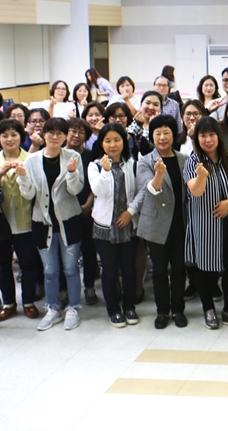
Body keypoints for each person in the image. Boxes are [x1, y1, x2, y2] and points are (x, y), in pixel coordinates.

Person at [16, 117, 85, 331]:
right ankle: (52, 308)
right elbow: (28, 195)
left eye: (60, 133)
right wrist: (22, 178)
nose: (54, 137)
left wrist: (72, 172)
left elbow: (76, 191)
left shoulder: (73, 157)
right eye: (50, 132)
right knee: (50, 270)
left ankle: (73, 307)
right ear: (43, 134)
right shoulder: (31, 160)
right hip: (42, 223)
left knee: (71, 269)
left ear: (65, 136)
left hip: (69, 221)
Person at [183, 116, 228, 331]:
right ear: (197, 138)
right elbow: (196, 190)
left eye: (212, 134)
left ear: (219, 137)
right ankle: (208, 309)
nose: (208, 139)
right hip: (206, 227)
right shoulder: (193, 161)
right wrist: (201, 176)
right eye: (203, 135)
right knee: (206, 270)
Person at [135, 115, 188, 329]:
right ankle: (162, 311)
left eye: (166, 132)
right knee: (158, 270)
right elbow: (150, 190)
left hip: (180, 222)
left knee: (179, 269)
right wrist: (158, 174)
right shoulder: (145, 161)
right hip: (156, 224)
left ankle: (178, 310)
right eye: (157, 133)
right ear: (152, 136)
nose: (162, 137)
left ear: (173, 135)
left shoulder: (183, 158)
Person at [88, 123, 140, 328]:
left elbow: (137, 193)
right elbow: (98, 190)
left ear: (124, 141)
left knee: (129, 270)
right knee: (109, 271)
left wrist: (131, 212)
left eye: (117, 140)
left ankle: (129, 306)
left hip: (128, 224)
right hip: (104, 227)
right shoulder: (95, 165)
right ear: (101, 143)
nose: (112, 144)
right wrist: (106, 170)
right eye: (108, 140)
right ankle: (113, 309)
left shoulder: (131, 162)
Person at [0, 120, 39, 321]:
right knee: (2, 264)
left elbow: (36, 190)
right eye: (4, 135)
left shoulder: (31, 158)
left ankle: (28, 302)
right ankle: (9, 303)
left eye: (14, 134)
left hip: (24, 219)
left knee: (28, 263)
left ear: (21, 136)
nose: (10, 139)